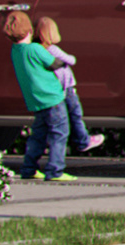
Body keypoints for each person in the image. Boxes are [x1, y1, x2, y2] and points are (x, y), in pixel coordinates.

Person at [4, 11, 74, 181]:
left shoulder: (15, 51)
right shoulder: (34, 49)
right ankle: (55, 170)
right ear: (30, 30)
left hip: (35, 100)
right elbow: (54, 63)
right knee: (59, 133)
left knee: (38, 136)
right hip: (52, 97)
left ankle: (29, 168)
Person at [36, 13, 94, 162]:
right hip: (66, 88)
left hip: (53, 89)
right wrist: (69, 58)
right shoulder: (53, 50)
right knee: (75, 115)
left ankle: (51, 147)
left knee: (52, 122)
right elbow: (71, 60)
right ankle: (83, 141)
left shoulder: (37, 51)